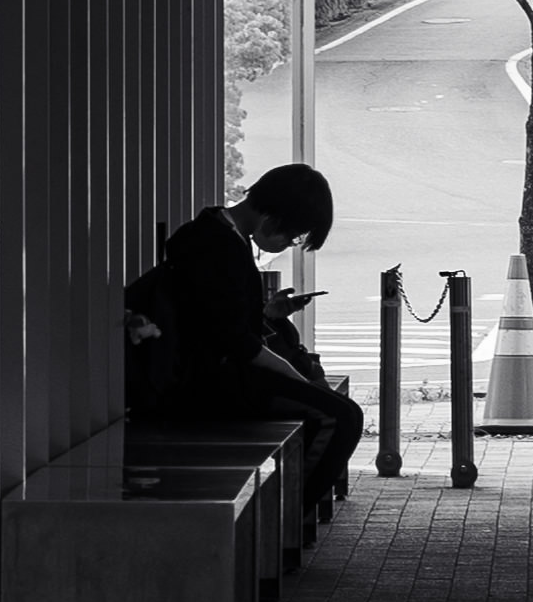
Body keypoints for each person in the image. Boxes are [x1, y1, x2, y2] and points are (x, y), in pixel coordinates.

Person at [130, 161, 364, 481]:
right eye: (292, 234)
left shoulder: (219, 236)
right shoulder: (216, 246)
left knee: (343, 413)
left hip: (221, 374)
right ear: (274, 217)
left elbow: (220, 316)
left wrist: (268, 314)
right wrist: (294, 376)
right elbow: (235, 340)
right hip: (210, 384)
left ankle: (291, 505)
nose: (289, 243)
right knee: (337, 419)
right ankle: (291, 508)